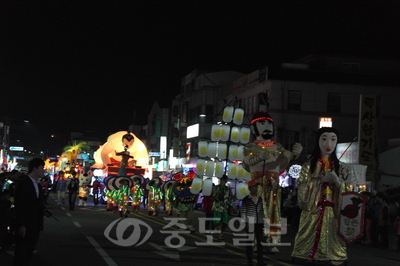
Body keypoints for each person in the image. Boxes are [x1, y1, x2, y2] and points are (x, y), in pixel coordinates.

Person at [243, 111, 302, 250]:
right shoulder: (250, 147)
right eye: (262, 123)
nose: (267, 126)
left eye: (269, 123)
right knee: (256, 214)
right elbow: (247, 162)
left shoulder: (279, 147)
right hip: (257, 185)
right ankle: (255, 241)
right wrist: (259, 158)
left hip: (273, 185)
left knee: (274, 213)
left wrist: (294, 154)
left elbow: (282, 166)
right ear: (253, 128)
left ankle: (272, 241)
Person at [291, 127, 350, 264]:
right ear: (318, 141)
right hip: (313, 211)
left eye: (333, 140)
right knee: (308, 242)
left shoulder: (341, 167)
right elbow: (302, 187)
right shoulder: (309, 165)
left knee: (333, 242)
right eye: (324, 139)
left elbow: (347, 192)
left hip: (332, 213)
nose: (328, 144)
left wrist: (336, 179)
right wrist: (320, 181)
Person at [13, 158, 52, 266]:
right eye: (42, 168)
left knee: (29, 250)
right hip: (25, 223)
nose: (44, 170)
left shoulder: (38, 185)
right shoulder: (23, 183)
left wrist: (44, 210)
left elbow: (37, 203)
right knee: (21, 251)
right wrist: (21, 224)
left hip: (36, 223)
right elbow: (19, 205)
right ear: (35, 169)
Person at [241, 180, 267, 266]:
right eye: (254, 187)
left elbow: (263, 210)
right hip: (250, 222)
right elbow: (243, 212)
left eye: (256, 187)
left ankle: (260, 260)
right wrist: (244, 222)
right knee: (249, 242)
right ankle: (250, 260)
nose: (255, 189)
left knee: (260, 241)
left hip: (259, 222)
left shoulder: (260, 199)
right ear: (250, 188)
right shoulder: (246, 199)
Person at [212, 174, 233, 241]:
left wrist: (231, 206)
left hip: (225, 208)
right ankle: (220, 235)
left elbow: (230, 198)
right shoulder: (216, 188)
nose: (225, 181)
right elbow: (215, 196)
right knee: (218, 222)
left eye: (225, 180)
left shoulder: (228, 189)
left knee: (225, 222)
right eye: (224, 180)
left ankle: (221, 232)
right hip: (218, 207)